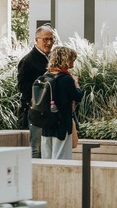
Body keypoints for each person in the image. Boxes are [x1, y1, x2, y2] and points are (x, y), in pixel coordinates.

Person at [16, 25, 55, 158]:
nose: (49, 43)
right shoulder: (28, 60)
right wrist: (41, 92)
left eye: (51, 39)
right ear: (36, 40)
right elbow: (22, 87)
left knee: (47, 148)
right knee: (36, 149)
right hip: (36, 110)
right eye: (45, 39)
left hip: (50, 111)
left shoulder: (52, 58)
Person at [39, 46, 83, 160]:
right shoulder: (66, 79)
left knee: (46, 158)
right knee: (61, 159)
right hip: (62, 123)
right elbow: (78, 96)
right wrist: (76, 84)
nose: (73, 63)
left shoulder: (45, 76)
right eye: (72, 59)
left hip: (46, 124)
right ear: (65, 59)